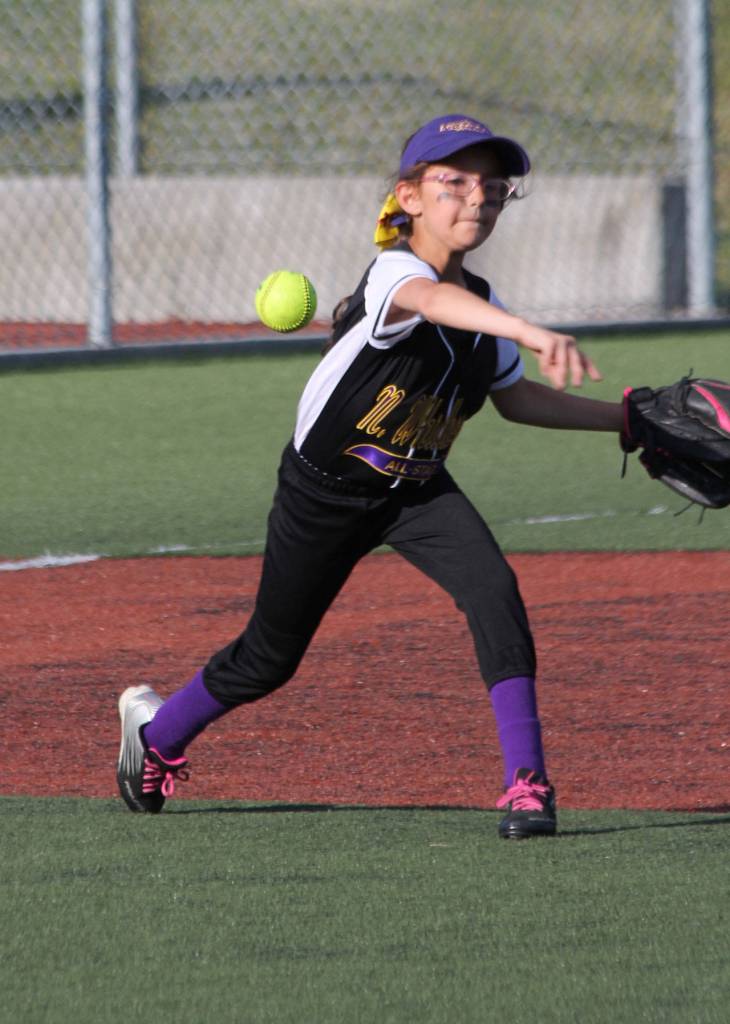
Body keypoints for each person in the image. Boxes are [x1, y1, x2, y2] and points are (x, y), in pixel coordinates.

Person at [117, 113, 624, 838]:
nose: (476, 197)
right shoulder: (396, 271)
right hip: (323, 492)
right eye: (453, 181)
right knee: (268, 659)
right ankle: (157, 737)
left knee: (494, 592)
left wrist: (625, 420)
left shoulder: (487, 308)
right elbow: (429, 301)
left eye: (493, 185)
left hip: (416, 489)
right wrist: (529, 330)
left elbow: (517, 400)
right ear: (409, 198)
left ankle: (527, 782)